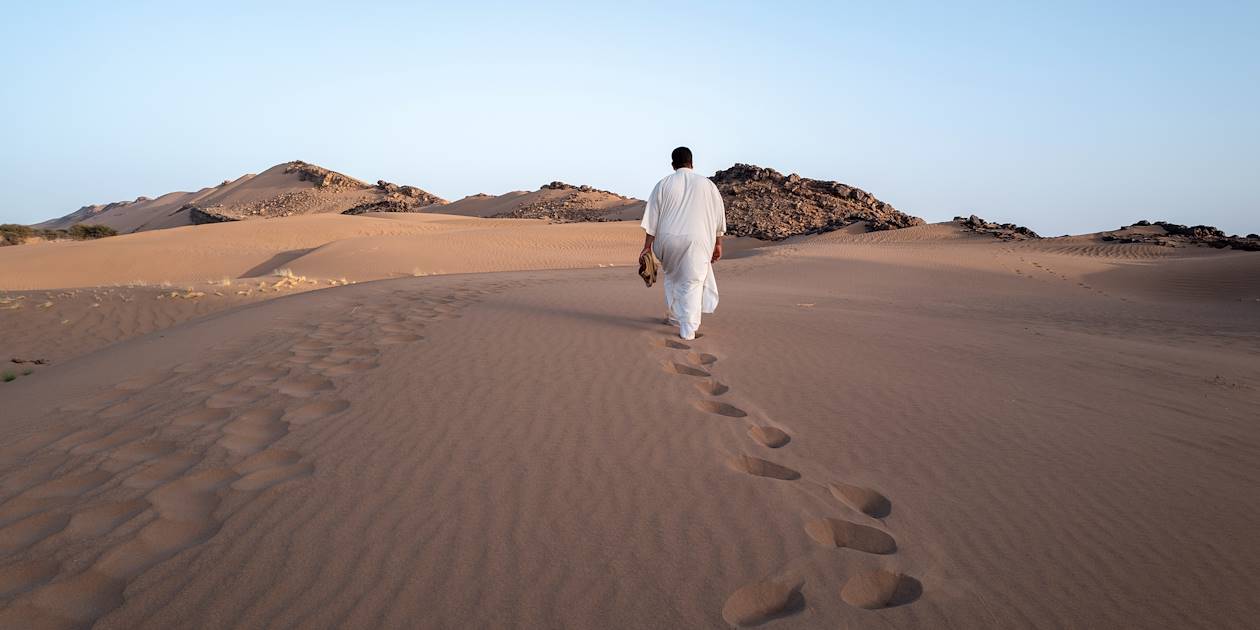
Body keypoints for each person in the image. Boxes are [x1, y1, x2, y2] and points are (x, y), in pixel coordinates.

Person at [639, 146, 726, 340]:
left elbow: (651, 221)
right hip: (699, 240)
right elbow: (719, 218)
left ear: (672, 164)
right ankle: (688, 330)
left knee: (672, 277)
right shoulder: (708, 185)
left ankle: (676, 317)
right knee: (692, 283)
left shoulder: (663, 184)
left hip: (667, 241)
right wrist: (718, 243)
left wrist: (647, 246)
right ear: (692, 163)